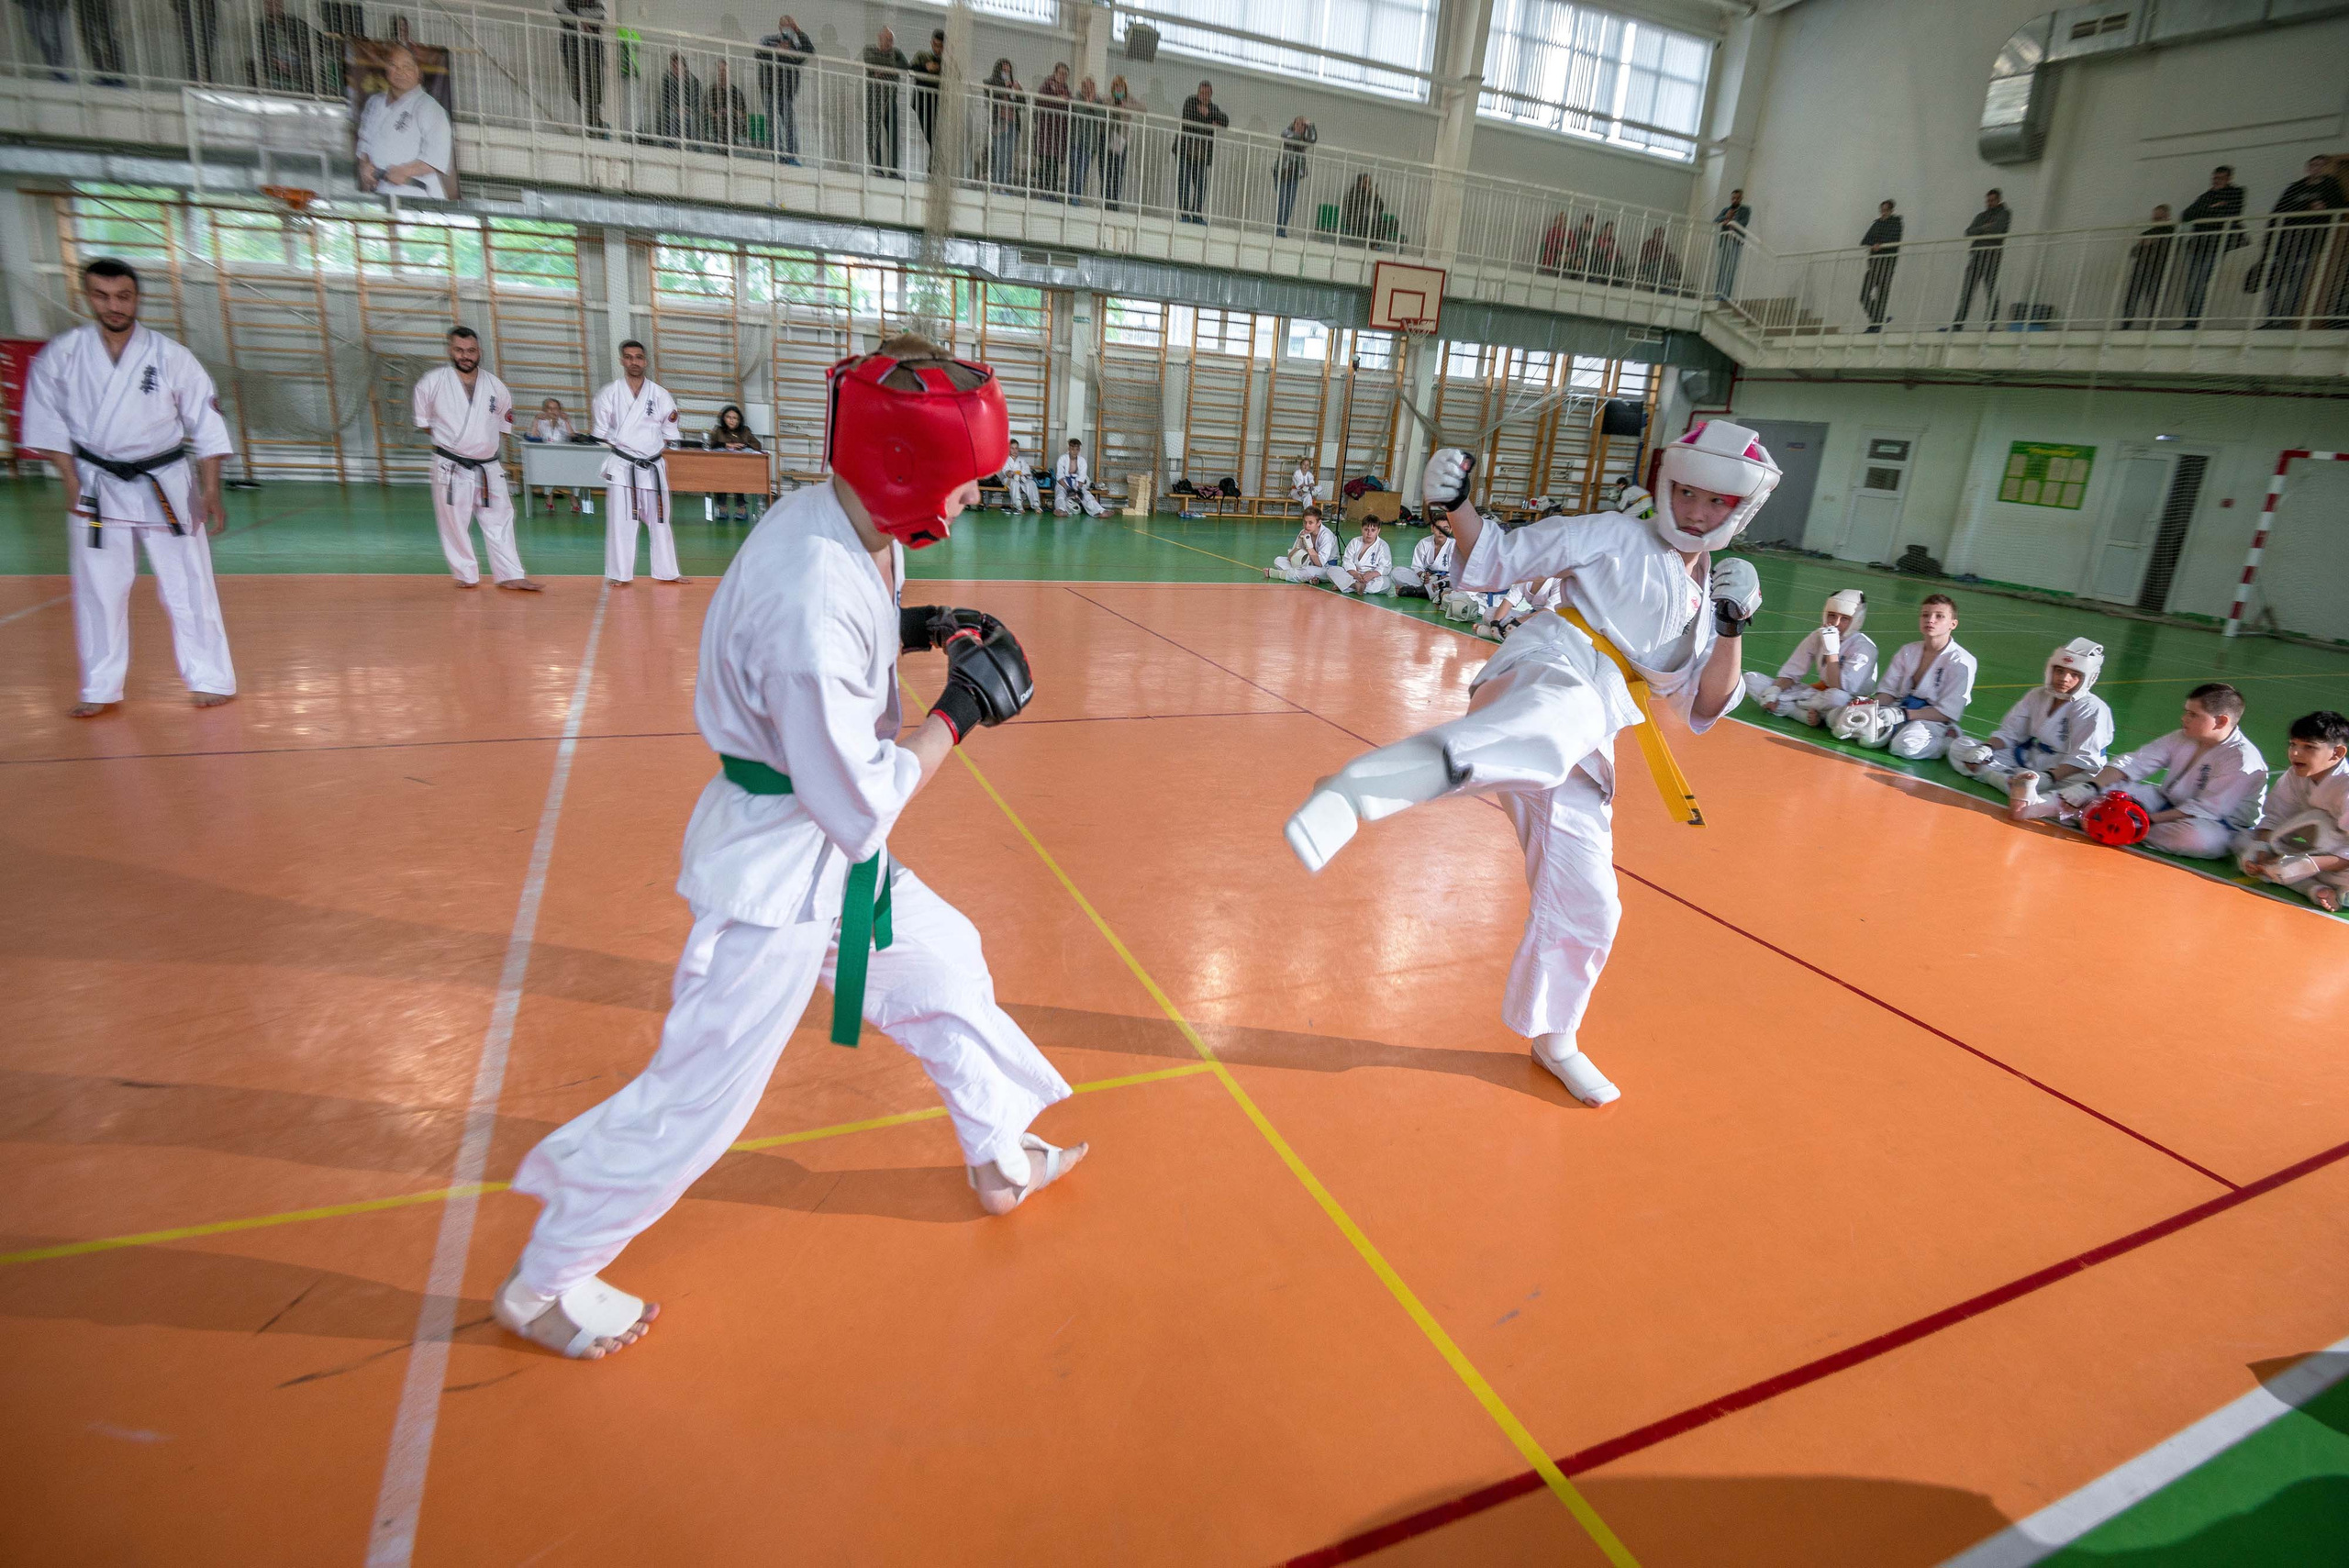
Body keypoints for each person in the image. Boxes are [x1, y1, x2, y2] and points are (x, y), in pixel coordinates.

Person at [495, 334, 1081, 1359]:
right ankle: (546, 1281)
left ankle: (997, 1154)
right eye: (970, 479)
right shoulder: (810, 595)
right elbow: (859, 803)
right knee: (698, 1104)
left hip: (819, 856)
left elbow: (854, 630)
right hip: (778, 870)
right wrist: (960, 712)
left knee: (947, 960)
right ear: (913, 469)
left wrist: (919, 625)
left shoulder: (845, 518)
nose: (979, 496)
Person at [1283, 424, 1773, 1106]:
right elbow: (1504, 554)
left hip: (1593, 734)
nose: (1694, 511)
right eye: (1685, 492)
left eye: (1715, 502)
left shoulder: (1703, 599)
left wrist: (1730, 626)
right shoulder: (1616, 534)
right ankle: (1353, 793)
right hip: (1550, 668)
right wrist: (1457, 506)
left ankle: (1555, 1035)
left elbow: (1707, 704)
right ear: (1666, 485)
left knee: (1593, 903)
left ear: (1740, 511)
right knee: (1548, 730)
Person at [22, 258, 238, 717]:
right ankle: (100, 687)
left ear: (137, 298)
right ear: (87, 296)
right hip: (97, 485)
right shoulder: (62, 354)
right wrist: (71, 480)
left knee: (189, 586)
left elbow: (207, 423)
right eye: (102, 295)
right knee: (99, 587)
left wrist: (211, 488)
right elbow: (47, 422)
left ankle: (210, 676)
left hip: (167, 484)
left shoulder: (170, 355)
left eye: (123, 296)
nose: (113, 305)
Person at [2017, 684, 2266, 859]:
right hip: (2163, 802)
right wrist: (2090, 787)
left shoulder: (2242, 760)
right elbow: (2135, 762)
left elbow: (2207, 809)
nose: (2184, 719)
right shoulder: (2183, 737)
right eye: (2186, 711)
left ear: (2221, 721)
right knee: (2108, 787)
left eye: (2193, 714)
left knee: (2194, 840)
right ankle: (2034, 805)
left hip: (2214, 825)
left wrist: (2137, 820)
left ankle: (2098, 821)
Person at [412, 327, 541, 594]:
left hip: (488, 466)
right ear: (450, 350)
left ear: (479, 352)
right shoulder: (431, 382)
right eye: (459, 350)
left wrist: (479, 447)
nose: (465, 356)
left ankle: (511, 575)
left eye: (470, 350)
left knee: (501, 518)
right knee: (454, 522)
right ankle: (467, 574)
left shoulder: (496, 386)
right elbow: (426, 425)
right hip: (450, 464)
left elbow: (501, 429)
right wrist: (457, 446)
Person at [1950, 639, 2114, 815]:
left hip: (2069, 772)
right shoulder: (2037, 695)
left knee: (2083, 799)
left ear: (2089, 678)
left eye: (2074, 674)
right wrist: (1986, 748)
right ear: (2050, 670)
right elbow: (2010, 733)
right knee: (1961, 747)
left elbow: (2084, 759)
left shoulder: (2092, 708)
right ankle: (2009, 782)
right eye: (2060, 671)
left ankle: (2010, 781)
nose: (2064, 678)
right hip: (2033, 758)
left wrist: (2050, 777)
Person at [593, 339, 691, 586]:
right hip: (624, 467)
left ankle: (668, 572)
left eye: (638, 357)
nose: (633, 362)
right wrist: (629, 449)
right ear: (621, 361)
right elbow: (601, 433)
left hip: (653, 467)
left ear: (645, 361)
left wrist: (649, 451)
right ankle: (619, 574)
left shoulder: (660, 394)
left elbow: (670, 433)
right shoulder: (609, 394)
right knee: (622, 523)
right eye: (628, 357)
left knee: (660, 521)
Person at [1829, 595, 1975, 759]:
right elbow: (1888, 692)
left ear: (1953, 624)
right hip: (1897, 707)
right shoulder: (1908, 651)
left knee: (1905, 746)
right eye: (1925, 615)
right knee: (1837, 717)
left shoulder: (1962, 662)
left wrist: (1903, 715)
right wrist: (1870, 704)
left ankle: (1947, 740)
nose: (1930, 620)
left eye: (1939, 616)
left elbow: (1947, 712)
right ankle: (1892, 731)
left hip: (1932, 718)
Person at [2235, 710, 2349, 912]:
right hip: (2316, 852)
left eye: (2309, 747)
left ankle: (2304, 880)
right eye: (2292, 744)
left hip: (2340, 862)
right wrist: (2262, 851)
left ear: (2337, 753)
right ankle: (2314, 888)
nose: (2295, 753)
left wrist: (2304, 865)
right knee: (2242, 841)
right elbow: (2274, 816)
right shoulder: (2295, 775)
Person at [1742, 587, 1875, 726]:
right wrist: (1774, 691)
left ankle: (1792, 706)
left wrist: (1831, 651)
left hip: (1848, 701)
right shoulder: (1818, 635)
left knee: (1837, 698)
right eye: (1832, 615)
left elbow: (1839, 688)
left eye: (1845, 619)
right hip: (1817, 696)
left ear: (1856, 621)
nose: (1835, 623)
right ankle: (1802, 714)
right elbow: (1793, 671)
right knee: (1751, 679)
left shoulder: (1865, 648)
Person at [2254, 153, 2347, 328]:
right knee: (2274, 280)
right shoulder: (2295, 188)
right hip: (2285, 241)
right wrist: (2269, 240)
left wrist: (2325, 208)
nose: (2316, 169)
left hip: (2309, 242)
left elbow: (2341, 208)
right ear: (2307, 168)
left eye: (2320, 165)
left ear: (2325, 168)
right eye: (2313, 165)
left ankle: (2286, 321)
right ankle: (2273, 319)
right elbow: (2279, 211)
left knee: (2296, 282)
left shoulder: (2330, 186)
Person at [356, 45, 453, 199]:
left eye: (406, 66)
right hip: (380, 192)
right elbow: (364, 141)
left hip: (417, 194)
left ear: (418, 73)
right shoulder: (374, 103)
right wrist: (364, 164)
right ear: (386, 69)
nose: (400, 72)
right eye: (393, 65)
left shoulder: (429, 107)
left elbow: (438, 157)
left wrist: (407, 171)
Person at [2176, 166, 2246, 328]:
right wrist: (2213, 208)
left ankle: (2194, 320)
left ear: (2229, 179)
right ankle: (2191, 319)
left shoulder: (2236, 193)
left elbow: (2232, 212)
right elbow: (2186, 215)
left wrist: (2206, 212)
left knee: (2199, 281)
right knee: (2192, 282)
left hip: (2215, 243)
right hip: (2198, 243)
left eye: (2221, 178)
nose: (2217, 181)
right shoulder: (2206, 196)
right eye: (2215, 178)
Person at [755, 14, 811, 163]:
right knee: (773, 123)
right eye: (785, 26)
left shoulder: (796, 46)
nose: (788, 30)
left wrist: (799, 32)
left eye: (791, 27)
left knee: (789, 123)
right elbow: (758, 54)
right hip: (769, 89)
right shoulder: (768, 40)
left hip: (786, 93)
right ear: (780, 27)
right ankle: (777, 156)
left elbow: (809, 52)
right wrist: (778, 50)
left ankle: (791, 157)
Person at [1953, 189, 2011, 328]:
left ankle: (1990, 322)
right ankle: (1958, 323)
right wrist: (1986, 227)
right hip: (1976, 255)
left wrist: (1980, 229)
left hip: (1992, 255)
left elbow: (1998, 228)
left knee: (1991, 289)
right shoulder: (1981, 215)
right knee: (1967, 291)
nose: (1989, 203)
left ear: (1998, 200)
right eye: (1988, 201)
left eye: (1992, 200)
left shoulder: (2005, 213)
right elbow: (1968, 232)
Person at [1177, 80, 1228, 224]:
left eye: (1207, 93)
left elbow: (1225, 120)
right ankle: (1185, 214)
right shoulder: (1190, 101)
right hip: (1185, 150)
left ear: (1211, 94)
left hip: (1201, 155)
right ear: (1198, 92)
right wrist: (1208, 121)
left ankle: (1197, 214)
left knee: (1201, 184)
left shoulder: (1214, 108)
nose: (1204, 95)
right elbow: (1190, 119)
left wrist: (1209, 114)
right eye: (1202, 92)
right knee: (1184, 182)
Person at [2119, 206, 2176, 330]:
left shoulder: (2172, 233)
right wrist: (2147, 244)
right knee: (2132, 298)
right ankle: (2126, 325)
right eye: (2154, 219)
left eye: (2159, 218)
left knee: (2155, 299)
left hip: (2157, 272)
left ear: (2167, 218)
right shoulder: (2148, 233)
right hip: (2141, 270)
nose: (2156, 221)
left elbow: (2165, 251)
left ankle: (2152, 327)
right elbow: (2134, 252)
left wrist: (2150, 243)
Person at [862, 27, 907, 177]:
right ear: (879, 37)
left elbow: (905, 65)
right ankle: (878, 169)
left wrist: (883, 69)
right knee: (872, 135)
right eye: (887, 39)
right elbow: (870, 60)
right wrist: (890, 67)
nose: (889, 43)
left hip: (890, 100)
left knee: (894, 136)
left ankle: (894, 171)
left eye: (891, 40)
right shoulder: (869, 49)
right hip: (873, 99)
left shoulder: (897, 52)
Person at [707, 403, 764, 522]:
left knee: (739, 477)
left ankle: (741, 507)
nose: (731, 421)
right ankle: (722, 507)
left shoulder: (745, 431)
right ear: (724, 418)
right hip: (721, 466)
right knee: (720, 477)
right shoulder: (718, 430)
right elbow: (710, 445)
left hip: (741, 467)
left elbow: (757, 445)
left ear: (739, 420)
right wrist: (725, 445)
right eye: (729, 417)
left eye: (735, 418)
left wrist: (744, 446)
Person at [527, 396, 582, 514]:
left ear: (560, 410)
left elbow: (574, 437)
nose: (552, 411)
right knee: (546, 472)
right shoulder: (541, 423)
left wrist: (567, 421)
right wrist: (536, 421)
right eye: (549, 409)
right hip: (547, 457)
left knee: (574, 474)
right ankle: (549, 499)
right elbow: (532, 437)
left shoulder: (565, 422)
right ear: (544, 410)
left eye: (555, 409)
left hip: (566, 457)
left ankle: (573, 499)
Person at [255, 0, 317, 93]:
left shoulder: (294, 23)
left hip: (298, 62)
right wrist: (275, 61)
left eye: (277, 3)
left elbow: (311, 43)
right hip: (276, 64)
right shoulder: (263, 27)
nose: (273, 6)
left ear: (281, 4)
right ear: (265, 6)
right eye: (269, 3)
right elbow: (263, 51)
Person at [1859, 199, 1901, 331]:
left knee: (1882, 295)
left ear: (1891, 211)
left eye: (1886, 210)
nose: (1883, 213)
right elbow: (1865, 240)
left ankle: (1876, 325)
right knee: (1864, 295)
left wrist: (1879, 245)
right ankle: (1878, 320)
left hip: (1887, 264)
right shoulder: (1877, 224)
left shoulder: (1896, 223)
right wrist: (1875, 244)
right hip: (1874, 264)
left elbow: (1894, 238)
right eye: (1882, 210)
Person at [983, 59, 1024, 190]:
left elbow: (1022, 105)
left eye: (1008, 71)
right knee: (999, 156)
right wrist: (1004, 86)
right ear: (998, 71)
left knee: (1008, 158)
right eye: (1004, 71)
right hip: (999, 123)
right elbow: (989, 92)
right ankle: (995, 185)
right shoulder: (992, 82)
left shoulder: (1014, 85)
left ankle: (1004, 186)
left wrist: (1018, 91)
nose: (1006, 73)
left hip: (1012, 125)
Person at [1031, 62, 1071, 198]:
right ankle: (1044, 192)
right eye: (1061, 73)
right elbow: (1040, 102)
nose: (1063, 76)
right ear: (1055, 73)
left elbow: (1069, 108)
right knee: (1045, 163)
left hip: (1059, 136)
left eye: (1066, 74)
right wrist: (1057, 99)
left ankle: (1052, 193)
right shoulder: (1046, 86)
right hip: (1046, 133)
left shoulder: (1066, 90)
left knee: (1054, 166)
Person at [1391, 514, 1453, 600]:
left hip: (1444, 581)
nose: (1441, 532)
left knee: (1455, 582)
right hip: (1425, 581)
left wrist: (1439, 578)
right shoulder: (1424, 543)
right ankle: (1429, 592)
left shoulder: (1455, 546)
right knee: (1396, 572)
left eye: (1445, 528)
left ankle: (1416, 591)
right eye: (1438, 528)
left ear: (1450, 530)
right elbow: (1417, 567)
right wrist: (1423, 576)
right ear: (1432, 528)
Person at [1268, 506, 1338, 582]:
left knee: (1306, 571)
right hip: (1307, 563)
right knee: (1279, 560)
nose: (1307, 526)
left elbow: (1320, 563)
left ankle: (1280, 574)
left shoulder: (1326, 535)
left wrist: (1309, 546)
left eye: (1310, 523)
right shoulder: (1304, 532)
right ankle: (1310, 578)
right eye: (1305, 522)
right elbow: (1290, 557)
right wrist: (1298, 545)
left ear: (1319, 523)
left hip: (1327, 568)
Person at [1327, 518, 1392, 595]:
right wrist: (1355, 574)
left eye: (1373, 530)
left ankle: (1349, 586)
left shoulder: (1383, 545)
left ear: (1378, 531)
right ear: (1361, 529)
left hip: (1371, 578)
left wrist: (1372, 574)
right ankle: (1355, 586)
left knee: (1386, 583)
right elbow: (1347, 561)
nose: (1369, 533)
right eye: (1366, 529)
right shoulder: (1355, 542)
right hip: (1353, 575)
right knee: (1332, 570)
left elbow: (1385, 567)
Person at [1067, 77, 1105, 204]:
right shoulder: (1077, 98)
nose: (1088, 90)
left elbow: (1101, 116)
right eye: (1086, 87)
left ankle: (1076, 196)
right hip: (1075, 140)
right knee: (1074, 170)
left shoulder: (1098, 101)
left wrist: (1092, 104)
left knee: (1082, 171)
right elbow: (1078, 110)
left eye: (1091, 87)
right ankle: (1072, 195)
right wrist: (1087, 104)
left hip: (1090, 143)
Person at [651, 52, 700, 150]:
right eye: (673, 66)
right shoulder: (667, 80)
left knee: (690, 119)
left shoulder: (694, 81)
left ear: (684, 67)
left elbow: (696, 101)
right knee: (671, 116)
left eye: (678, 66)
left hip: (689, 113)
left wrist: (688, 109)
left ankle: (695, 148)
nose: (676, 68)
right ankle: (670, 146)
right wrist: (676, 109)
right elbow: (665, 100)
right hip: (673, 111)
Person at [1276, 117, 1315, 238]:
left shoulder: (1305, 138)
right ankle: (1279, 230)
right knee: (1282, 202)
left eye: (1303, 125)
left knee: (1289, 204)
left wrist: (1311, 125)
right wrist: (1304, 137)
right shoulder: (1287, 132)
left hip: (1295, 174)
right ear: (1293, 124)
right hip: (1283, 172)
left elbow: (1312, 139)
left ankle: (1282, 229)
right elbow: (1293, 138)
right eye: (1298, 123)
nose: (1300, 126)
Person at [910, 28, 944, 163]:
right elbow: (911, 68)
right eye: (935, 45)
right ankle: (935, 163)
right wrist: (926, 68)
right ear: (931, 43)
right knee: (931, 135)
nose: (937, 49)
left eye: (940, 46)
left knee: (936, 137)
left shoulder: (946, 62)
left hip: (938, 104)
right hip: (922, 102)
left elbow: (956, 75)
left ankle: (934, 164)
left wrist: (940, 67)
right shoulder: (922, 55)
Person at [703, 61, 749, 153]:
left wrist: (731, 111)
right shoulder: (712, 90)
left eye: (724, 70)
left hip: (733, 122)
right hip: (716, 120)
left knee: (728, 119)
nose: (722, 73)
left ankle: (724, 147)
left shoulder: (736, 92)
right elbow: (705, 108)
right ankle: (726, 147)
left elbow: (743, 114)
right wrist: (716, 114)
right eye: (720, 70)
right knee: (722, 119)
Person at [1713, 188, 1751, 300]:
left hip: (1736, 241)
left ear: (1741, 198)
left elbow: (1743, 223)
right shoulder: (1726, 209)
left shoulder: (1745, 210)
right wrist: (1726, 217)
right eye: (1733, 198)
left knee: (1731, 269)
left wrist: (1731, 221)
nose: (1735, 200)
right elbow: (1716, 220)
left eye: (1738, 198)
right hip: (1725, 240)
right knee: (1722, 268)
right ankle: (1718, 295)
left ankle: (1726, 297)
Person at [1052, 438, 1104, 517]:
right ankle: (1061, 510)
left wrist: (1078, 490)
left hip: (1076, 483)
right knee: (1060, 494)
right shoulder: (1062, 459)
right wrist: (1067, 489)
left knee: (1086, 495)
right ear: (1069, 448)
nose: (1074, 451)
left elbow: (1082, 477)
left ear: (1079, 450)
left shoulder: (1082, 461)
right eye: (1072, 449)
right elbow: (1059, 476)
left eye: (1077, 449)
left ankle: (1100, 511)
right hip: (1063, 482)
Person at [1102, 76, 1132, 211]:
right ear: (1113, 88)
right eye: (1116, 87)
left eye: (1121, 87)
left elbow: (1143, 108)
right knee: (1107, 170)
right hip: (1108, 137)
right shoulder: (1108, 98)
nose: (1119, 89)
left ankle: (1115, 200)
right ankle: (1106, 200)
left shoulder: (1128, 99)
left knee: (1118, 171)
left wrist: (1126, 106)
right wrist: (1113, 104)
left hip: (1121, 140)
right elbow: (1101, 105)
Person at [1340, 173, 1386, 248]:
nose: (1368, 185)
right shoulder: (1354, 193)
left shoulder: (1371, 194)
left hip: (1371, 221)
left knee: (1385, 223)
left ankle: (1376, 245)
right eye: (1366, 182)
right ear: (1359, 183)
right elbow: (1354, 205)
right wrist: (1366, 195)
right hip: (1357, 222)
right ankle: (1373, 245)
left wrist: (1376, 197)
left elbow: (1381, 208)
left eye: (1369, 183)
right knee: (1369, 222)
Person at [1635, 226, 1684, 295]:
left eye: (1661, 234)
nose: (1659, 236)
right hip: (1647, 265)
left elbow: (1665, 257)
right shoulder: (1648, 243)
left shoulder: (1664, 245)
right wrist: (1658, 256)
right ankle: (1665, 288)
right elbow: (1644, 258)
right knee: (1656, 267)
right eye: (1657, 234)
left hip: (1660, 267)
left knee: (1661, 268)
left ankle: (1658, 290)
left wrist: (1669, 256)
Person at [1000, 438, 1040, 512]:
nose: (1015, 450)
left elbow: (1027, 473)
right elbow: (1007, 472)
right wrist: (1014, 475)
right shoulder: (1005, 460)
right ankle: (1018, 505)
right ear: (1009, 449)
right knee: (1014, 483)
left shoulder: (1022, 460)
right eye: (1012, 448)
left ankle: (1036, 505)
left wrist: (1022, 476)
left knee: (1031, 483)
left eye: (1016, 448)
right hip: (1008, 480)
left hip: (1022, 479)